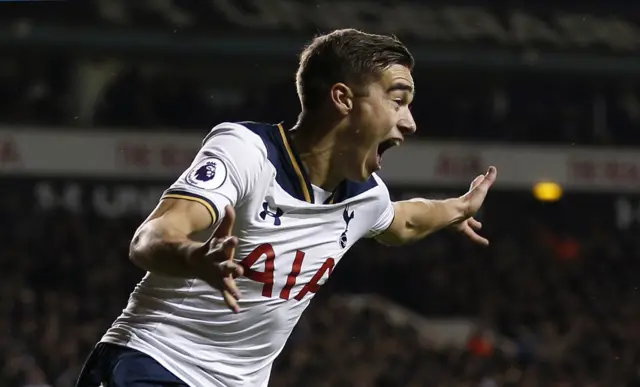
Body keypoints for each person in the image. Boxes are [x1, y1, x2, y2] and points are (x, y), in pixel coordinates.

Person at [76, 28, 497, 387]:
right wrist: (195, 257)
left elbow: (403, 221)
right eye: (397, 100)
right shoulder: (247, 152)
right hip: (154, 363)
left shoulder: (365, 195)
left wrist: (455, 209)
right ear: (343, 98)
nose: (410, 122)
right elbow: (151, 237)